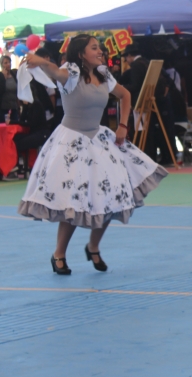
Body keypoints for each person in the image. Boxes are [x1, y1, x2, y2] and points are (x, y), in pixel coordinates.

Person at [19, 34, 168, 275]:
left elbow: (126, 96)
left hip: (98, 140)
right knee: (74, 202)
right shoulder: (71, 72)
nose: (101, 51)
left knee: (110, 197)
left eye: (100, 48)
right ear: (80, 53)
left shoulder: (103, 73)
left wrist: (123, 125)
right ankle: (59, 253)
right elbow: (57, 73)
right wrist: (42, 62)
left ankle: (94, 246)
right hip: (72, 142)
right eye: (95, 48)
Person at [0, 54, 20, 124]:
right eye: (5, 63)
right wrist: (3, 78)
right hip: (3, 107)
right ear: (2, 64)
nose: (8, 64)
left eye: (9, 62)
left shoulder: (13, 74)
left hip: (14, 106)